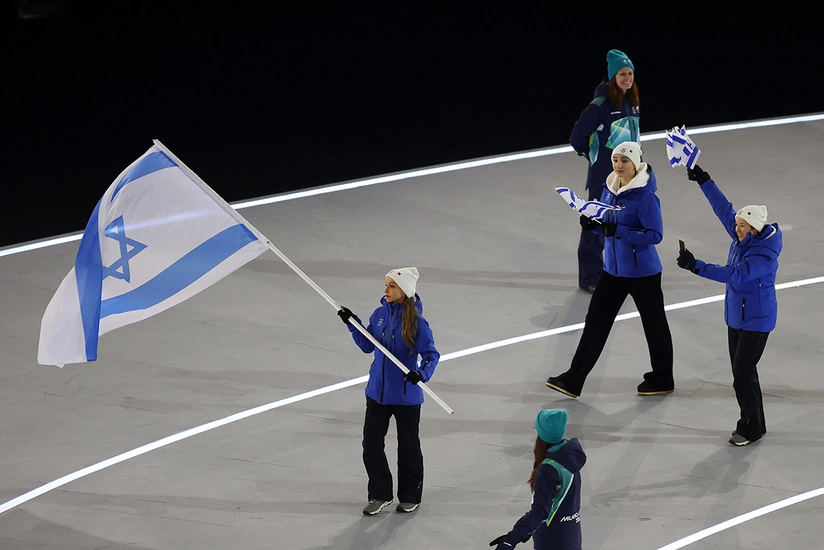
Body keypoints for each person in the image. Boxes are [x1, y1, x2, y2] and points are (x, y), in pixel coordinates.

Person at [546, 141, 674, 398]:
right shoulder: (609, 189)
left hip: (643, 274)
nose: (618, 165)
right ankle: (573, 380)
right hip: (612, 271)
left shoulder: (646, 197)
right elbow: (607, 226)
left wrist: (620, 231)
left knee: (654, 326)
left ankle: (662, 378)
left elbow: (655, 235)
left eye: (624, 161)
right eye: (615, 160)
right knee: (595, 322)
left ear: (635, 163)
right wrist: (592, 225)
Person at [676, 165, 782, 446]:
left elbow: (736, 274)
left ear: (754, 229)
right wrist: (704, 180)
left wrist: (697, 266)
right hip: (736, 317)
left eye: (742, 226)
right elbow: (724, 210)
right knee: (743, 372)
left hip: (757, 320)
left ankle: (749, 427)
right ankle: (756, 423)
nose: (736, 229)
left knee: (742, 374)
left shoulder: (763, 256)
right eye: (737, 225)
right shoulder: (742, 237)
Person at [337, 267, 440, 514]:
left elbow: (431, 355)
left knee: (408, 448)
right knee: (371, 445)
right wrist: (353, 324)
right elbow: (367, 345)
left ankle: (410, 496)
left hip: (406, 396)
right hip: (377, 394)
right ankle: (380, 494)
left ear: (404, 290)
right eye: (386, 285)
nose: (386, 290)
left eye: (392, 286)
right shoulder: (379, 314)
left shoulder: (417, 323)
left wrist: (421, 374)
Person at [570, 48, 640, 293]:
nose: (627, 78)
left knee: (624, 224)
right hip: (604, 179)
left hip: (629, 178)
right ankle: (590, 277)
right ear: (613, 77)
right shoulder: (599, 105)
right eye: (622, 74)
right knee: (595, 227)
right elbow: (577, 137)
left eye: (630, 73)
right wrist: (594, 157)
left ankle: (618, 271)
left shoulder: (632, 102)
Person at [489, 409, 586, 550]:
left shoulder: (549, 469)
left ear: (541, 433)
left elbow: (540, 511)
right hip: (571, 537)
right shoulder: (570, 458)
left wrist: (512, 538)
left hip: (552, 541)